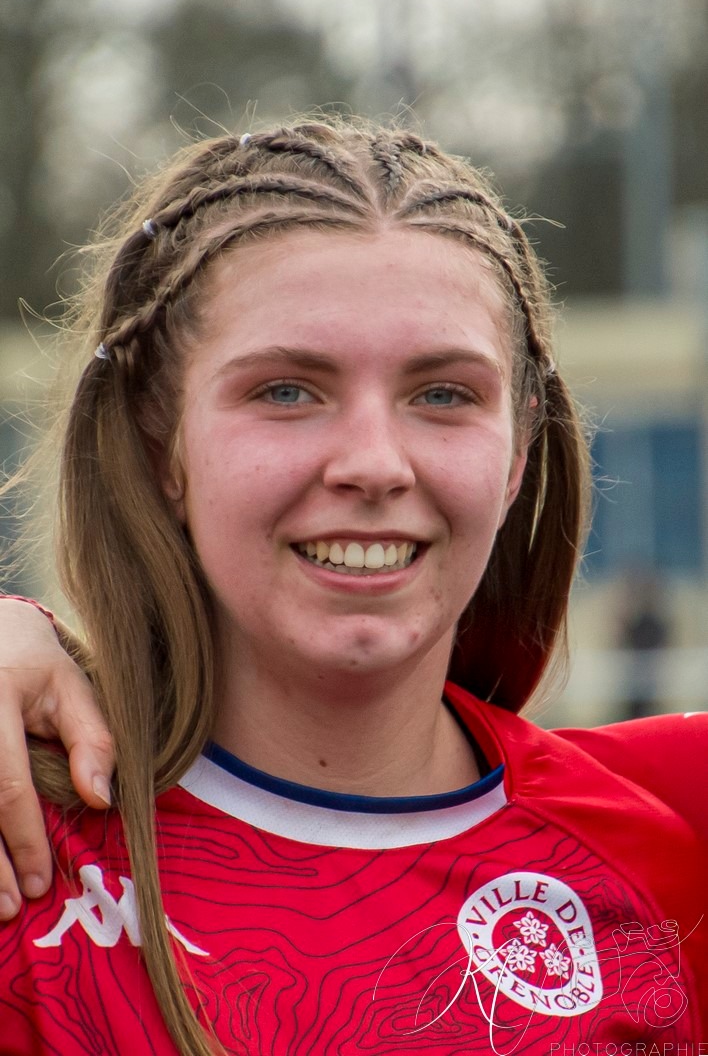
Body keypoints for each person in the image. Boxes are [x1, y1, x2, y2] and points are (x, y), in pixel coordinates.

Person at [0, 118, 705, 1054]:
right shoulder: (28, 857)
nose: (374, 465)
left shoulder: (669, 834)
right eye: (288, 390)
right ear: (157, 439)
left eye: (444, 393)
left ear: (520, 450)